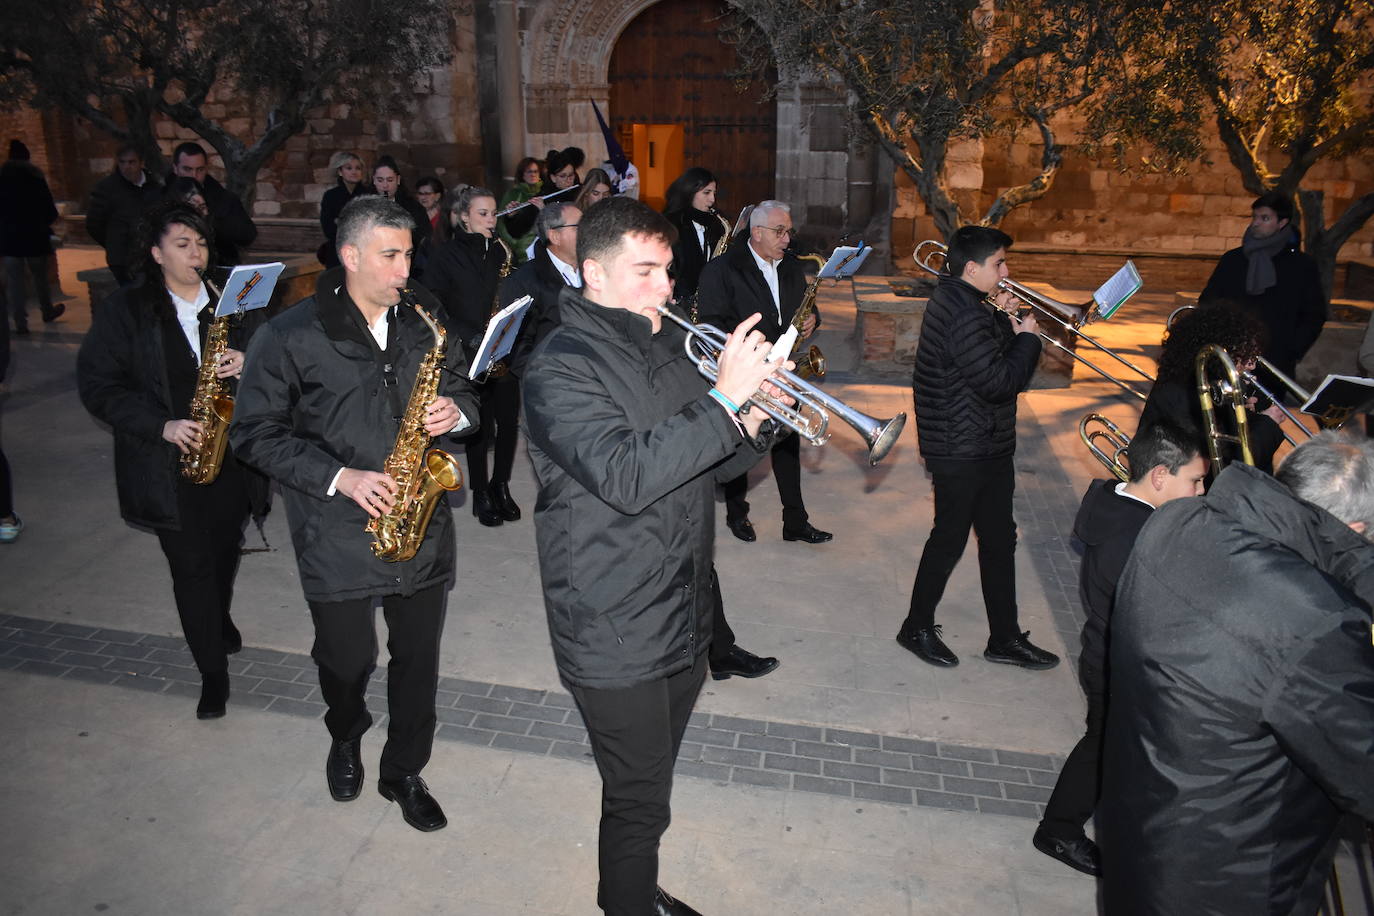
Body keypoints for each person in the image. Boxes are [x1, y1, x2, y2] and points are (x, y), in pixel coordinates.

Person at [523, 195, 786, 916]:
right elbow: (627, 475)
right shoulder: (558, 368)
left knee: (649, 785)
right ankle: (628, 903)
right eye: (645, 271)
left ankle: (634, 887)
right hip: (611, 624)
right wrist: (723, 402)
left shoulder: (667, 348)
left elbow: (714, 467)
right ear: (593, 275)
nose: (666, 288)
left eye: (668, 271)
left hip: (681, 608)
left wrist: (755, 420)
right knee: (638, 799)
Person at [230, 195, 478, 833]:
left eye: (408, 254)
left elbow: (465, 384)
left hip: (419, 524)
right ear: (348, 256)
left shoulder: (424, 317)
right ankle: (346, 732)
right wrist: (339, 476)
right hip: (335, 527)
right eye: (390, 255)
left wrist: (458, 412)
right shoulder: (287, 334)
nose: (405, 268)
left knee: (417, 659)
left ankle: (403, 771)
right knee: (345, 660)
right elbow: (253, 433)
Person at [1098, 432, 1374, 916]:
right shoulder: (1316, 621)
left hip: (1141, 832)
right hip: (1230, 878)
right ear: (1353, 526)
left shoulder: (1178, 521)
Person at [76, 201, 255, 718]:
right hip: (166, 465)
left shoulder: (231, 300)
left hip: (231, 456)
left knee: (225, 548)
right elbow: (98, 386)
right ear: (156, 254)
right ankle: (211, 673)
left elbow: (276, 355)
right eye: (182, 245)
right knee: (190, 565)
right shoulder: (126, 311)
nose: (196, 253)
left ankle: (217, 617)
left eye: (200, 243)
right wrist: (164, 425)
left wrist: (248, 360)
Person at [1031, 421, 1206, 877]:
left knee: (1112, 748)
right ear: (1161, 477)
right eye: (1196, 480)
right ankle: (1059, 830)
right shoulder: (1132, 541)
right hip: (1121, 664)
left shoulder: (1123, 509)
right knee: (1105, 748)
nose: (1202, 492)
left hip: (1115, 655)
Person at [896, 225, 1058, 670]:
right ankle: (916, 627)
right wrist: (1028, 338)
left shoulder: (967, 302)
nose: (1007, 272)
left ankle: (1004, 637)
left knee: (999, 539)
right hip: (960, 446)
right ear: (972, 268)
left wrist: (1002, 323)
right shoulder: (962, 310)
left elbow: (986, 364)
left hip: (983, 441)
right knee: (949, 538)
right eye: (999, 264)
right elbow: (1000, 382)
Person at [698, 200, 830, 544]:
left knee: (787, 444)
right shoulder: (722, 269)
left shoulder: (790, 267)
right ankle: (737, 513)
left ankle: (796, 521)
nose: (787, 238)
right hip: (745, 370)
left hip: (784, 369)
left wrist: (814, 319)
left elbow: (804, 307)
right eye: (779, 231)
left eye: (789, 231)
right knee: (741, 441)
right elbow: (709, 325)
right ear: (756, 233)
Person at [424, 186, 522, 527]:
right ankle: (480, 493)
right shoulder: (444, 255)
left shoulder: (500, 251)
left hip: (502, 347)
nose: (491, 220)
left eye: (494, 213)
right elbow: (435, 306)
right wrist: (470, 335)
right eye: (483, 213)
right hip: (467, 351)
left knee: (509, 422)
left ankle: (501, 485)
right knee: (480, 427)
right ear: (464, 216)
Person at [1139, 300, 1286, 474]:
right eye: (1246, 356)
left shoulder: (1195, 379)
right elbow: (1231, 466)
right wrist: (1268, 424)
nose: (1252, 366)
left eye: (1254, 357)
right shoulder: (1189, 394)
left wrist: (1245, 414)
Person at [1200, 191, 1327, 391]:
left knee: (1267, 420)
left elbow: (1314, 313)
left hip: (1275, 364)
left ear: (1282, 222)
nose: (1256, 223)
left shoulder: (1301, 266)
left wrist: (1291, 350)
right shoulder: (1233, 260)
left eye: (1265, 218)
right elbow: (1208, 302)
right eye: (1255, 217)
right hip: (1229, 360)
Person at [499, 201, 582, 354]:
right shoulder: (523, 282)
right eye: (579, 227)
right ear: (555, 236)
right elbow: (517, 348)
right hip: (552, 373)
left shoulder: (595, 271)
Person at [0, 140, 64, 332]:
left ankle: (20, 321)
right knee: (40, 277)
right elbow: (49, 210)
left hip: (9, 239)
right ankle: (46, 310)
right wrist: (43, 224)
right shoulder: (35, 178)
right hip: (35, 236)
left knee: (14, 282)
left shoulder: (2, 179)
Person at [168, 142, 257, 266]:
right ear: (175, 168)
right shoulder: (162, 197)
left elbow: (247, 235)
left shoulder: (224, 198)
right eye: (187, 169)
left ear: (206, 169)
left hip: (217, 268)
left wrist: (208, 216)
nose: (194, 175)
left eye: (200, 169)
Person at [86, 144, 163, 286]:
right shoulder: (107, 188)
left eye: (131, 162)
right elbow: (94, 224)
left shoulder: (154, 186)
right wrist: (113, 241)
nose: (127, 167)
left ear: (141, 162)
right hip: (123, 259)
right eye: (122, 162)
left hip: (151, 256)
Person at [662, 167, 728, 316]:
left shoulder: (715, 225)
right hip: (678, 306)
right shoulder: (670, 225)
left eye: (714, 193)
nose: (712, 199)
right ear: (689, 192)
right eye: (706, 192)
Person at [370, 155, 431, 275]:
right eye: (380, 180)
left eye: (390, 180)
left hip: (408, 267)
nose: (385, 186)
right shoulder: (364, 206)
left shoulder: (413, 207)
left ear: (398, 180)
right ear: (374, 180)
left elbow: (424, 237)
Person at [318, 151, 370, 268]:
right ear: (340, 171)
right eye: (349, 168)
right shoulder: (330, 196)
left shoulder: (368, 195)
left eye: (358, 168)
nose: (354, 172)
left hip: (364, 252)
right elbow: (328, 226)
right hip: (337, 253)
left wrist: (341, 222)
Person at [497, 156, 544, 266]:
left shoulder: (544, 193)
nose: (533, 174)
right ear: (522, 174)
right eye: (529, 171)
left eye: (536, 171)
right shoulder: (513, 194)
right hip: (520, 251)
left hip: (541, 248)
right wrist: (515, 244)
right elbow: (501, 221)